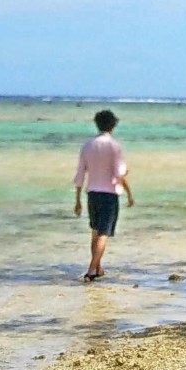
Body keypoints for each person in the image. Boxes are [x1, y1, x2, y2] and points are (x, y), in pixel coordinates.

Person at [72, 108, 134, 281]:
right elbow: (119, 174)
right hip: (109, 195)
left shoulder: (87, 145)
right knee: (104, 233)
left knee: (95, 231)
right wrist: (129, 193)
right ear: (113, 125)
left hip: (92, 193)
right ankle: (91, 270)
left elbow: (80, 174)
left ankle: (98, 267)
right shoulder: (115, 146)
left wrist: (77, 201)